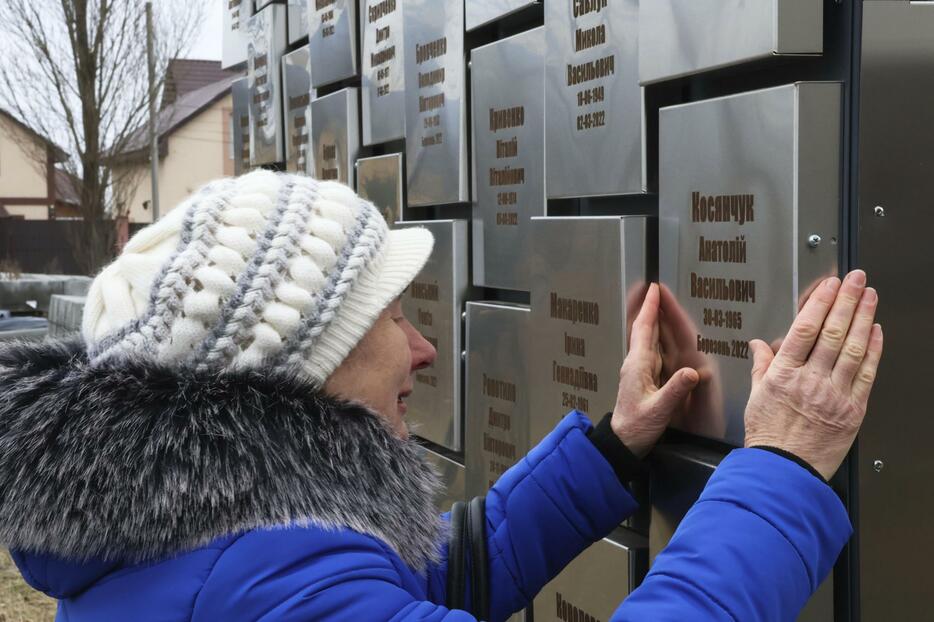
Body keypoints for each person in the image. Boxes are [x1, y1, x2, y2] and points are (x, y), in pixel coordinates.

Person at [0, 171, 882, 621]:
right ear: (303, 371)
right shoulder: (261, 590)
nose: (424, 348)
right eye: (390, 318)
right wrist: (779, 469)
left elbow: (422, 581)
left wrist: (612, 449)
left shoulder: (203, 543)